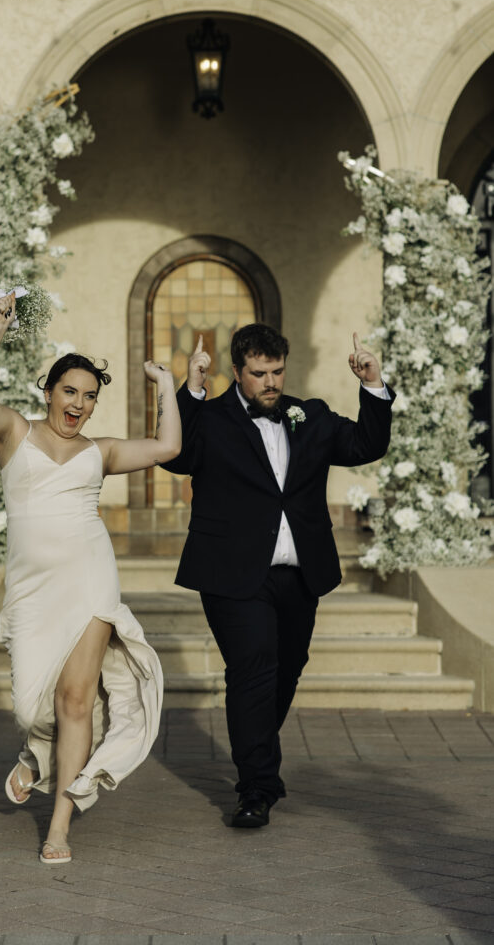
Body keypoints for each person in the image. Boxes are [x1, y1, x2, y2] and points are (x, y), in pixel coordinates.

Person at [0, 291, 181, 864]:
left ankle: (59, 822)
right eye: (69, 392)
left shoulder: (99, 451)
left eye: (88, 396)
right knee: (33, 709)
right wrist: (0, 323)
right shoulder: (14, 432)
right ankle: (38, 752)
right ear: (49, 392)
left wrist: (166, 385)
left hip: (89, 579)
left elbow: (169, 445)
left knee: (75, 700)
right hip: (32, 591)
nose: (78, 404)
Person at [162, 323, 394, 828]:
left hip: (300, 574)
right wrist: (193, 389)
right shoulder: (213, 418)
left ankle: (257, 753)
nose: (270, 382)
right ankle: (257, 788)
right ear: (238, 371)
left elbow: (366, 445)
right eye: (259, 373)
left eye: (277, 372)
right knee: (254, 669)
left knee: (286, 668)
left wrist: (372, 384)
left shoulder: (309, 415)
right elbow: (176, 454)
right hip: (232, 574)